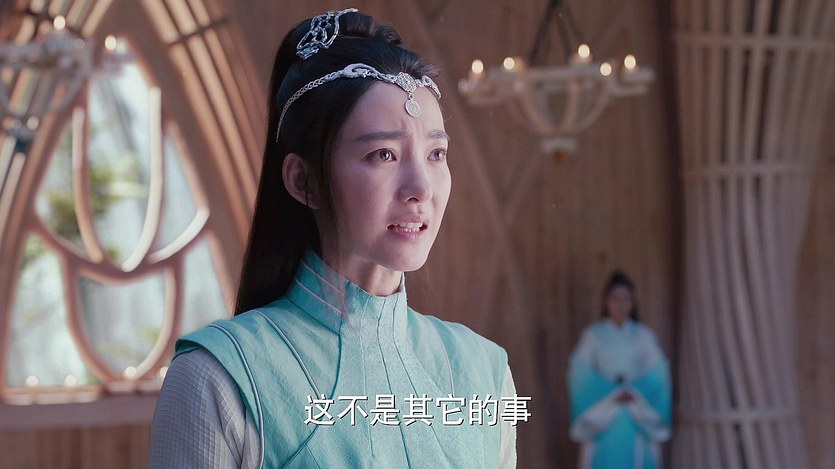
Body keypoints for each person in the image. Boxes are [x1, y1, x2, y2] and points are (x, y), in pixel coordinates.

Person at [149, 8, 518, 468]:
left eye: (436, 153)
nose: (421, 188)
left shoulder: (484, 372)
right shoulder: (217, 377)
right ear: (302, 180)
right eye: (383, 154)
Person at [567, 270, 671, 469]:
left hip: (637, 412)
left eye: (626, 299)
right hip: (603, 413)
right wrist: (612, 392)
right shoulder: (593, 336)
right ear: (606, 301)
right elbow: (579, 375)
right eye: (615, 298)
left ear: (633, 302)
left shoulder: (644, 336)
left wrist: (635, 392)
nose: (621, 305)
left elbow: (659, 374)